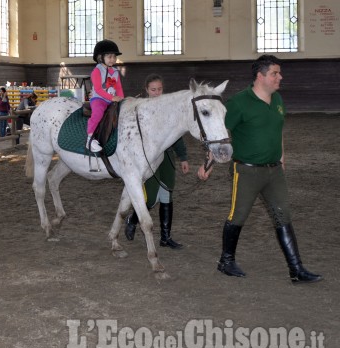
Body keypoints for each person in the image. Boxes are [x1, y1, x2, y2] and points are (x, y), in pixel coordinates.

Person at [200, 55, 322, 283]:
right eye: (275, 73)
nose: (280, 77)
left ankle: (296, 269)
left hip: (274, 171)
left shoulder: (277, 100)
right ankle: (226, 261)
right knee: (238, 216)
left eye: (279, 73)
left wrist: (282, 157)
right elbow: (219, 134)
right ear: (260, 76)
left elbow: (278, 131)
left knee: (283, 216)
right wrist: (208, 163)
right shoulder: (238, 103)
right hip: (246, 172)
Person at [124, 74, 190, 249]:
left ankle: (165, 237)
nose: (157, 92)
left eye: (160, 89)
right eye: (153, 89)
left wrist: (183, 157)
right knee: (151, 197)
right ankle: (132, 219)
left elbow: (178, 134)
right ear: (146, 90)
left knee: (167, 194)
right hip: (147, 159)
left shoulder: (169, 109)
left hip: (167, 157)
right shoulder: (139, 109)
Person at [87, 40, 124, 152]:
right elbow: (98, 89)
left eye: (114, 56)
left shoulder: (116, 72)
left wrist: (122, 98)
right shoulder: (97, 71)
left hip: (111, 100)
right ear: (100, 57)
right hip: (99, 99)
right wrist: (112, 98)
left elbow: (118, 88)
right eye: (109, 56)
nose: (113, 59)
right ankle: (89, 138)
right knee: (98, 113)